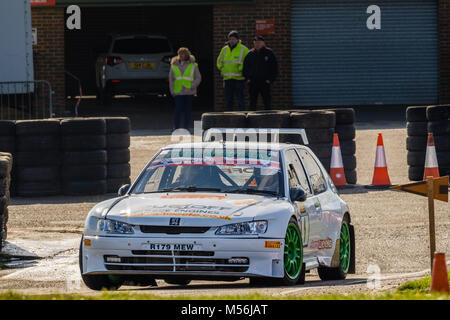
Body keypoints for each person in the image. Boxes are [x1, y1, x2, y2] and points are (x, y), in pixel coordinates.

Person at [169, 47, 202, 130]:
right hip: (178, 91)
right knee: (178, 110)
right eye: (180, 53)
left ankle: (186, 127)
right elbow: (171, 79)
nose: (181, 55)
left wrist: (192, 86)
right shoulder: (174, 65)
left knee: (188, 111)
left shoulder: (193, 65)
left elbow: (198, 78)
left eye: (183, 53)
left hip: (189, 91)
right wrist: (172, 90)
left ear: (187, 54)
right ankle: (176, 127)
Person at [243, 35, 278, 110]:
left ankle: (269, 118)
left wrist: (270, 79)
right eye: (255, 43)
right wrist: (247, 79)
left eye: (259, 42)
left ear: (263, 43)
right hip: (253, 82)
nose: (257, 44)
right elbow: (245, 68)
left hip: (265, 81)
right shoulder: (250, 54)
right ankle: (251, 120)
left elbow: (274, 68)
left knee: (267, 101)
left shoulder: (269, 53)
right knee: (252, 102)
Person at [216, 30, 249, 111]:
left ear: (238, 39)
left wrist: (241, 68)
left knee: (240, 100)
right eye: (230, 39)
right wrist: (221, 68)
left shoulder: (244, 49)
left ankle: (243, 118)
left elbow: (248, 63)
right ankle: (229, 118)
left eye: (233, 39)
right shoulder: (224, 49)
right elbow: (219, 61)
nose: (231, 40)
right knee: (228, 100)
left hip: (239, 79)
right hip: (227, 79)